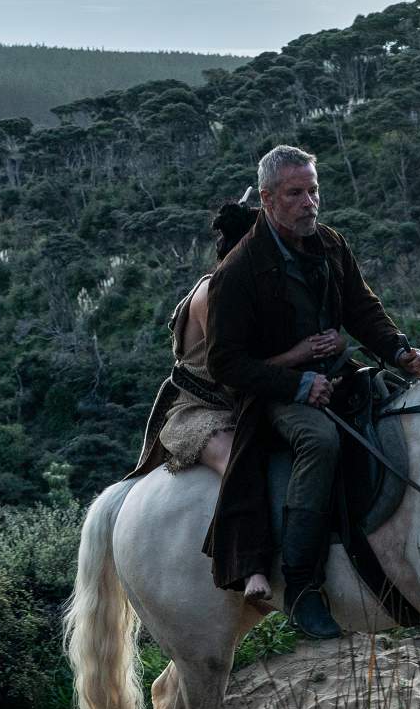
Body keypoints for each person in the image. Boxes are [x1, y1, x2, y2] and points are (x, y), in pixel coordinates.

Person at [204, 146, 420, 638]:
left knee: (404, 412)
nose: (310, 203)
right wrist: (297, 382)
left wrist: (398, 350)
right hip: (274, 394)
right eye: (295, 194)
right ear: (267, 199)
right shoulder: (239, 272)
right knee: (320, 441)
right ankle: (304, 585)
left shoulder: (329, 243)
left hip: (336, 373)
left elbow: (361, 308)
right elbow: (225, 363)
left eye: (314, 191)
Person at [127, 197, 340, 606]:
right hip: (200, 408)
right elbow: (237, 366)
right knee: (240, 465)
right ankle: (251, 565)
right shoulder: (215, 292)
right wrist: (300, 354)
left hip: (243, 400)